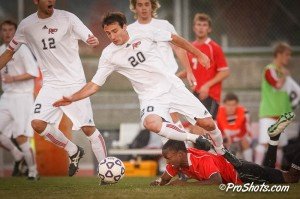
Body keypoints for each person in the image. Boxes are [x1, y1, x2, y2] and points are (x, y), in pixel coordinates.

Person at [53, 12, 241, 168]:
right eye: (108, 33)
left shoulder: (145, 33)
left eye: (115, 31)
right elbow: (94, 85)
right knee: (150, 123)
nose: (112, 36)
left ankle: (222, 151)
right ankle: (194, 138)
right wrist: (73, 98)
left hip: (172, 86)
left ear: (125, 26)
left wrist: (198, 54)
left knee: (208, 124)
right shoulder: (109, 55)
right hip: (150, 96)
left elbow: (174, 39)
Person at [0, 0, 107, 177]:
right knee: (37, 123)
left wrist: (92, 40)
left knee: (88, 128)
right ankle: (73, 150)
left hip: (74, 83)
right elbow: (9, 52)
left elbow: (89, 37)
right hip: (50, 85)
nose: (51, 1)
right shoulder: (26, 26)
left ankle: (106, 171)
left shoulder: (68, 18)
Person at [151, 112, 299, 186]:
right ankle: (273, 138)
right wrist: (157, 183)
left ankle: (278, 141)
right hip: (236, 165)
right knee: (269, 171)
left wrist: (184, 184)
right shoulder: (176, 161)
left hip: (243, 175)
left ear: (180, 153)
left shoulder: (202, 160)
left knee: (291, 178)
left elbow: (216, 180)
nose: (167, 161)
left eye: (168, 157)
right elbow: (164, 179)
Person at [128, 0, 196, 129]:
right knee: (163, 120)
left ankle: (188, 144)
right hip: (149, 84)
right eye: (140, 5)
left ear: (152, 6)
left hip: (169, 78)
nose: (143, 8)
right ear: (134, 7)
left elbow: (179, 48)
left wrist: (189, 71)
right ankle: (183, 144)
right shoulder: (130, 30)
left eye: (147, 4)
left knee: (181, 115)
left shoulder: (164, 25)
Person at [0, 20, 39, 179]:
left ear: (16, 33)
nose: (7, 33)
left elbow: (34, 72)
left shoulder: (21, 49)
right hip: (7, 96)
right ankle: (18, 155)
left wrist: (13, 78)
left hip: (22, 97)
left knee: (20, 136)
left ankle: (33, 171)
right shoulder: (1, 50)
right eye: (4, 30)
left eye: (10, 30)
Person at [179, 13, 229, 119]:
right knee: (195, 128)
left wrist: (207, 86)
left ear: (209, 29)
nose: (201, 28)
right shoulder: (191, 47)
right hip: (196, 93)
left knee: (205, 127)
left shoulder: (214, 47)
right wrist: (174, 77)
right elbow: (191, 70)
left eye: (204, 25)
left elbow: (225, 71)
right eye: (198, 24)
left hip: (210, 94)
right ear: (194, 28)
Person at [256, 42, 294, 167]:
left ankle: (276, 171)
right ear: (279, 54)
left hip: (282, 115)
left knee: (280, 146)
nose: (289, 58)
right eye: (286, 55)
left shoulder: (283, 71)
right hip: (269, 113)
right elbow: (277, 85)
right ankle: (256, 168)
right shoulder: (270, 69)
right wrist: (284, 75)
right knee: (264, 143)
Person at [216, 92, 253, 162]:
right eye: (228, 105)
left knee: (245, 141)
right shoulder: (218, 113)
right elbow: (217, 131)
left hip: (240, 138)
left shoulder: (244, 112)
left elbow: (247, 131)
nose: (231, 107)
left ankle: (251, 165)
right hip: (225, 139)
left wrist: (233, 138)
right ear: (224, 104)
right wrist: (225, 139)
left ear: (237, 104)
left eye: (233, 105)